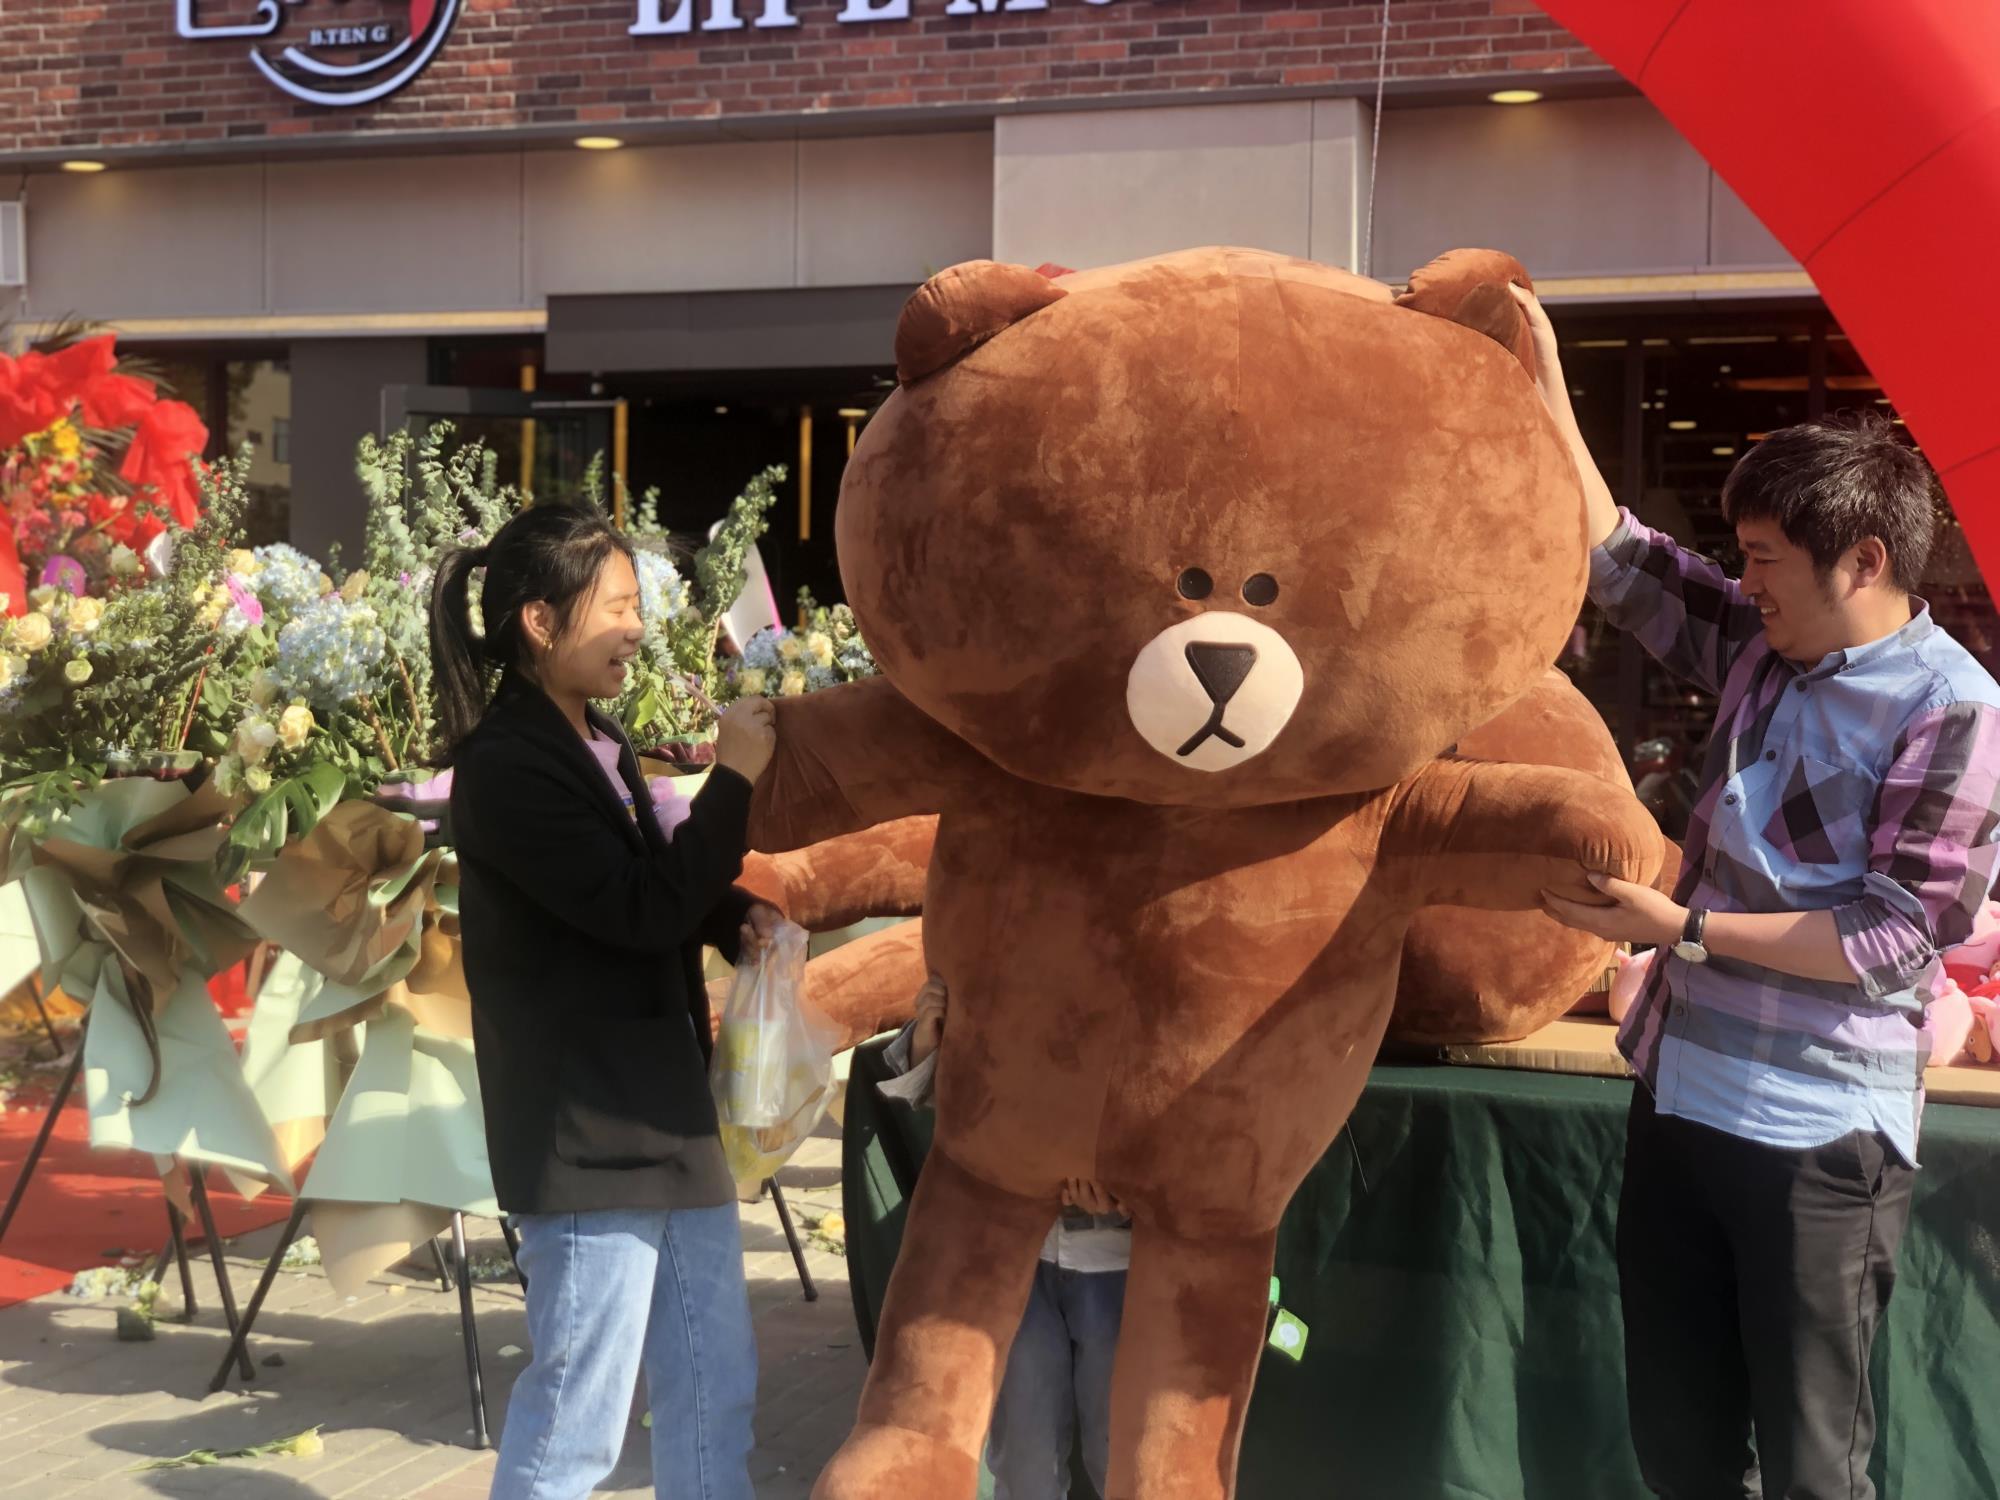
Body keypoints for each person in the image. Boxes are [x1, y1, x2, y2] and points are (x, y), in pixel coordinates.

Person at [1512, 284, 2000, 1500]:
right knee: (1678, 1447)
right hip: (1675, 1100)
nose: (1747, 580)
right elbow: (1616, 555)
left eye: (1765, 559)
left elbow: (1894, 939)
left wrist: (1680, 928)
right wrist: (1540, 372)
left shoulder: (1952, 708)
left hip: (1816, 1138)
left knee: (1810, 1465)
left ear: (1863, 561)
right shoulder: (1759, 644)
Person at [431, 503, 781, 1500]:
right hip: (586, 1130)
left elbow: (642, 883)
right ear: (540, 622)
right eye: (617, 606)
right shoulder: (506, 765)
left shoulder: (597, 737)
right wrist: (733, 783)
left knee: (715, 1387)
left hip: (663, 1109)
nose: (636, 627)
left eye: (637, 604)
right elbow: (632, 909)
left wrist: (732, 917)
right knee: (577, 1419)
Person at [878, 973, 1131, 1500]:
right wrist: (929, 1031)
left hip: (1117, 1262)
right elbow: (934, 1091)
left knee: (1122, 1452)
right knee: (1024, 1452)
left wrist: (1128, 1193)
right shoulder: (1008, 953)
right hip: (1016, 1259)